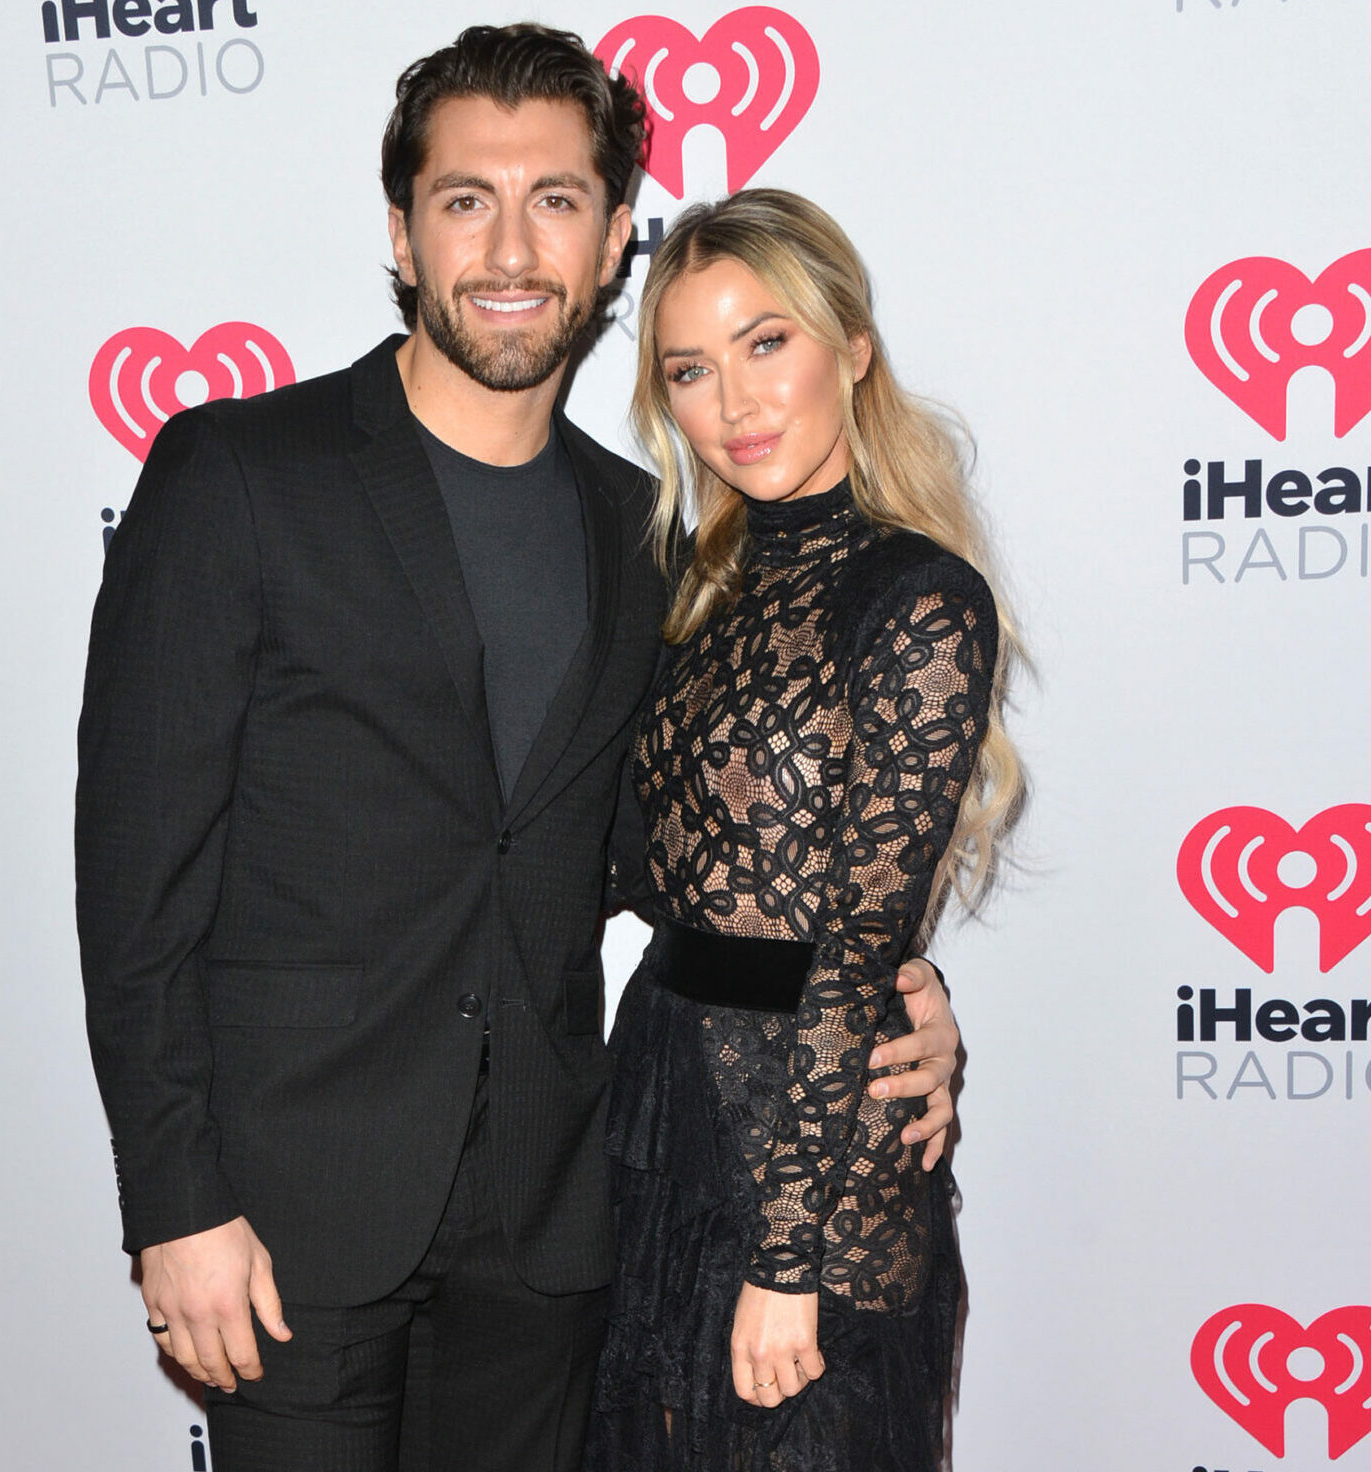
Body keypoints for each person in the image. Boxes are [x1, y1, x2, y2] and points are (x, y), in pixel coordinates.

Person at [75, 27, 964, 1472]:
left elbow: (689, 851)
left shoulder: (649, 535)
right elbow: (136, 883)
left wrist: (897, 1002)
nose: (509, 245)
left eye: (554, 198)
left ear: (617, 237)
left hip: (558, 1225)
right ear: (402, 230)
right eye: (464, 198)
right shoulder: (239, 474)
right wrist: (173, 1202)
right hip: (290, 1223)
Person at [588, 190, 1024, 1472]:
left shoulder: (917, 598)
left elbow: (852, 940)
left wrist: (786, 1262)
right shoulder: (684, 588)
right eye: (690, 368)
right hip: (661, 1104)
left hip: (819, 1157)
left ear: (852, 345)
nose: (734, 399)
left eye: (765, 341)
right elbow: (630, 867)